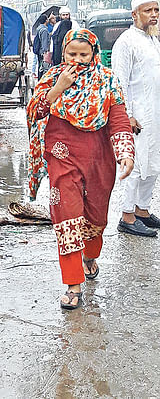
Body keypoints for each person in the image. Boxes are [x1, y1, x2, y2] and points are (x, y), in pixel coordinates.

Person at [27, 29, 135, 310]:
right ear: (63, 53)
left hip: (99, 156)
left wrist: (125, 152)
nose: (77, 60)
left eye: (83, 55)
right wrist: (59, 88)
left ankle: (90, 255)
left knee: (96, 215)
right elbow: (35, 111)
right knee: (67, 216)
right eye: (71, 54)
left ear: (94, 54)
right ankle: (73, 284)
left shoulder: (108, 80)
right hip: (61, 154)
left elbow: (119, 119)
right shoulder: (52, 77)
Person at [112, 0, 160, 237]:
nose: (153, 15)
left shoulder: (153, 40)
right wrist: (126, 116)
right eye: (148, 11)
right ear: (134, 14)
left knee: (153, 163)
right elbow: (118, 82)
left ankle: (142, 210)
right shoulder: (126, 42)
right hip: (136, 116)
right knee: (136, 164)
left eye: (156, 10)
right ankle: (127, 216)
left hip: (155, 115)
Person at [34, 14, 51, 79]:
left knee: (40, 66)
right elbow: (44, 42)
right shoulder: (44, 30)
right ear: (46, 20)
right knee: (42, 68)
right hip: (42, 52)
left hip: (39, 51)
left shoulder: (39, 28)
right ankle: (41, 80)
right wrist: (45, 52)